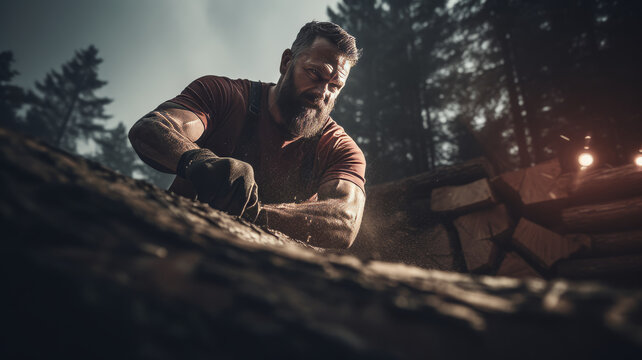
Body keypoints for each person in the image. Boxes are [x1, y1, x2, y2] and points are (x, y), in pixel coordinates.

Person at [129, 21, 366, 249]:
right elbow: (151, 127)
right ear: (286, 62)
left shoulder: (339, 148)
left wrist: (254, 212)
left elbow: (345, 220)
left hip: (264, 276)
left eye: (335, 86)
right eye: (315, 73)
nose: (322, 92)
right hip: (172, 242)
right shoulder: (223, 96)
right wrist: (201, 162)